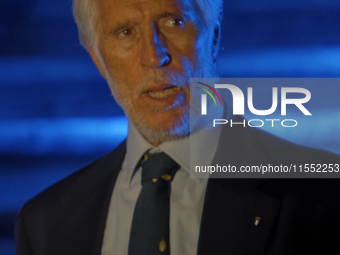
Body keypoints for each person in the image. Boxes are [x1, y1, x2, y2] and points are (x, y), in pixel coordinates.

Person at [15, 0, 340, 254]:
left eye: (173, 22)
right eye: (125, 32)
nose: (154, 56)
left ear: (213, 37)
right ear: (98, 58)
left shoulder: (320, 190)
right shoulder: (45, 224)